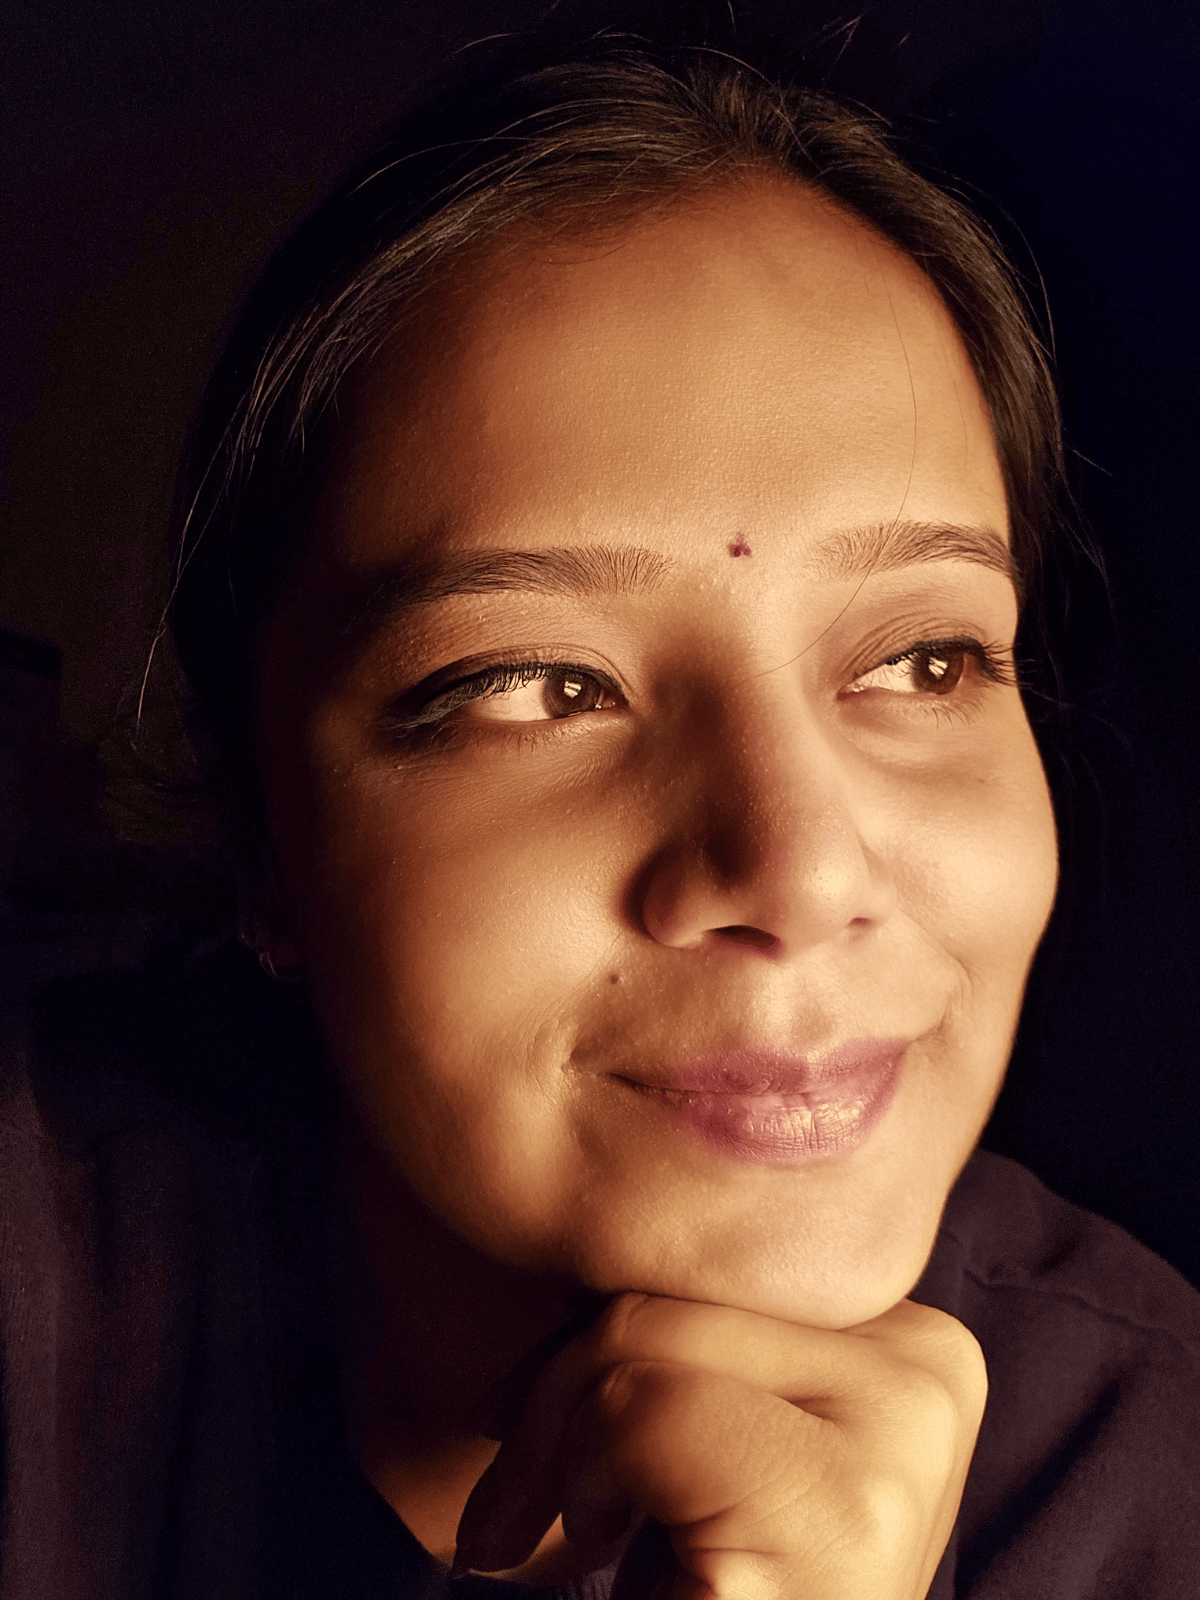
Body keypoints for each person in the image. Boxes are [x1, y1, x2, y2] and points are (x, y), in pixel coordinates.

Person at [2, 39, 1198, 1600]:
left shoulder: (1155, 1477)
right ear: (264, 839)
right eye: (535, 686)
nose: (801, 869)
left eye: (926, 658)